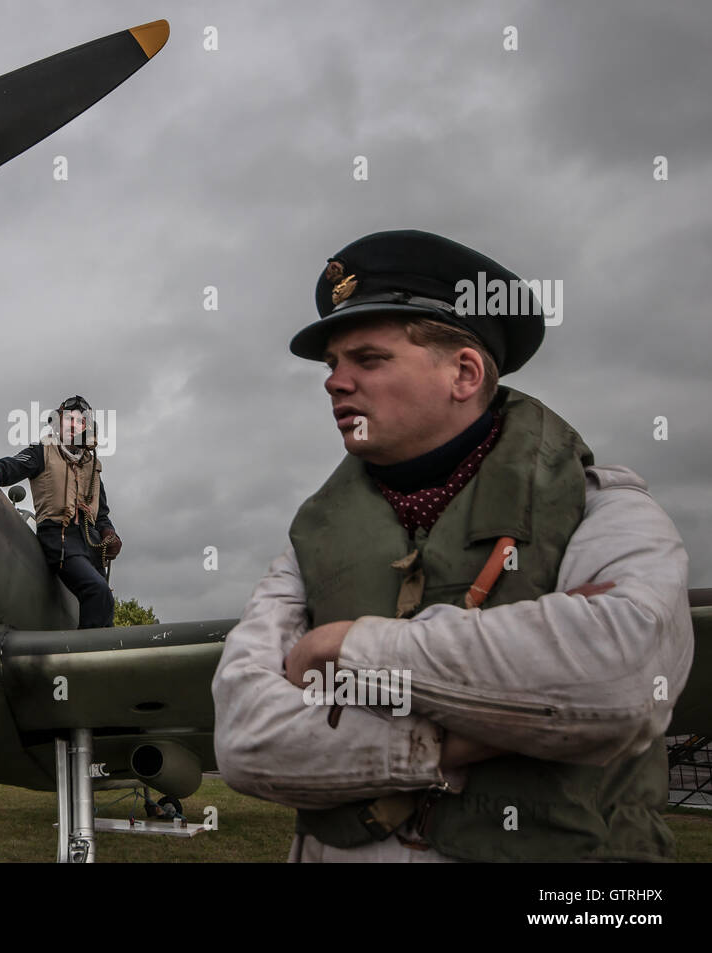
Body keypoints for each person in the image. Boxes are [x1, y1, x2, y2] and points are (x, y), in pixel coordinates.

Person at [211, 230, 695, 862]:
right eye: (333, 366)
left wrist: (347, 645)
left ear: (463, 373)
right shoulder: (309, 546)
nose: (335, 382)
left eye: (368, 359)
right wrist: (451, 742)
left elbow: (622, 683)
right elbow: (247, 743)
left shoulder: (605, 506)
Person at [0, 396, 121, 628]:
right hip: (60, 539)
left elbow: (102, 515)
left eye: (80, 421)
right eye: (68, 419)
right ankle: (84, 660)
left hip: (90, 544)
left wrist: (109, 533)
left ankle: (101, 657)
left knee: (105, 602)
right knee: (96, 591)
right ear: (58, 424)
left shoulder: (92, 466)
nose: (73, 425)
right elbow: (12, 466)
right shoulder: (43, 452)